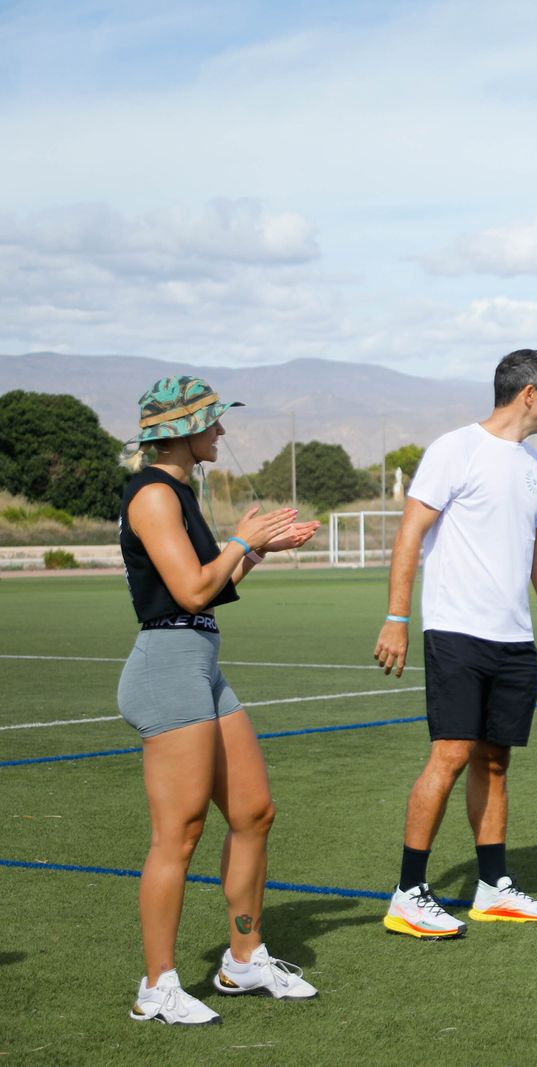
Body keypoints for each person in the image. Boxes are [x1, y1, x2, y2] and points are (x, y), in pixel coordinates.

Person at [117, 375, 320, 1024]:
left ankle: (242, 958)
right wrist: (241, 539)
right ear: (178, 431)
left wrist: (257, 548)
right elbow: (191, 589)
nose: (221, 431)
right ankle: (158, 985)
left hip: (199, 660)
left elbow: (214, 585)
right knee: (178, 834)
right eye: (212, 421)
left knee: (254, 811)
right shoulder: (152, 495)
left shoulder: (178, 491)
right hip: (167, 664)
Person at [373, 349, 537, 936]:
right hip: (456, 631)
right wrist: (396, 617)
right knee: (452, 754)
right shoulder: (453, 449)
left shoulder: (534, 465)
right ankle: (409, 893)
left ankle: (493, 889)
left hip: (514, 638)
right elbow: (410, 532)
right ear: (529, 393)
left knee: (495, 760)